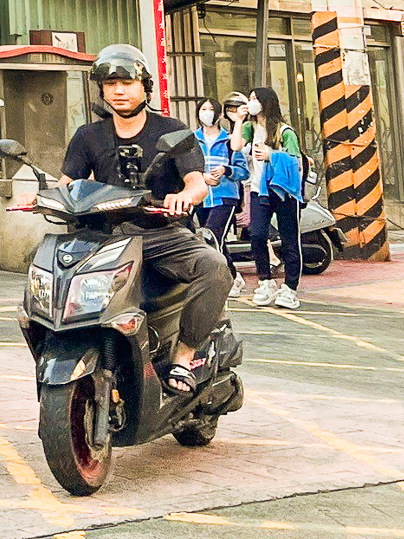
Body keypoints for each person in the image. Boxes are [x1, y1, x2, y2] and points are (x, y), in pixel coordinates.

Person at [60, 44, 225, 395]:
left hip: (159, 233)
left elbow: (196, 182)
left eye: (127, 83)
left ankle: (184, 358)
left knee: (214, 267)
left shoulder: (172, 129)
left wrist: (184, 197)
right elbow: (67, 185)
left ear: (144, 86)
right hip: (103, 237)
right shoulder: (88, 136)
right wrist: (43, 198)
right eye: (111, 84)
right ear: (101, 89)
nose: (119, 91)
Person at [241, 86, 306, 309]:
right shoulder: (250, 127)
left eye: (255, 99)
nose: (251, 103)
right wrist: (239, 121)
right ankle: (265, 281)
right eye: (249, 99)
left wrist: (272, 155)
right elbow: (237, 145)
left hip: (284, 192)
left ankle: (290, 288)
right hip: (259, 189)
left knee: (290, 239)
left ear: (266, 102)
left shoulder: (284, 131)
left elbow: (295, 161)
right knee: (257, 234)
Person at [193, 96, 244, 300]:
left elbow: (243, 171)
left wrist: (226, 170)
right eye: (203, 109)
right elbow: (185, 168)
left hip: (225, 196)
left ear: (220, 114)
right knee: (212, 240)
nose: (207, 112)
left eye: (211, 109)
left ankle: (229, 279)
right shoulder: (192, 140)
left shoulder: (230, 140)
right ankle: (235, 276)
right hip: (201, 197)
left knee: (213, 235)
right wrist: (201, 177)